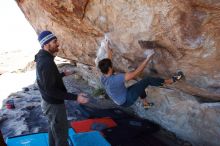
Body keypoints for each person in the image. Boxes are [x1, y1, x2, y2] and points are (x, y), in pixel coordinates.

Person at [35, 30, 89, 146]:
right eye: (54, 42)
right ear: (46, 44)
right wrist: (76, 97)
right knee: (61, 134)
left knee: (53, 128)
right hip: (53, 106)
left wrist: (63, 74)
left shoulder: (43, 58)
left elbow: (46, 81)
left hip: (49, 103)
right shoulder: (46, 62)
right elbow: (50, 89)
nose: (58, 44)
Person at [98, 45, 183, 109]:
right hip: (126, 100)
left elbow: (108, 62)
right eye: (111, 65)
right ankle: (169, 81)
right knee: (147, 80)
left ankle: (145, 104)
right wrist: (148, 58)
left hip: (120, 98)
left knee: (140, 86)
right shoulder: (116, 79)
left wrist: (108, 50)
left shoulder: (103, 76)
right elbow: (136, 73)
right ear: (109, 68)